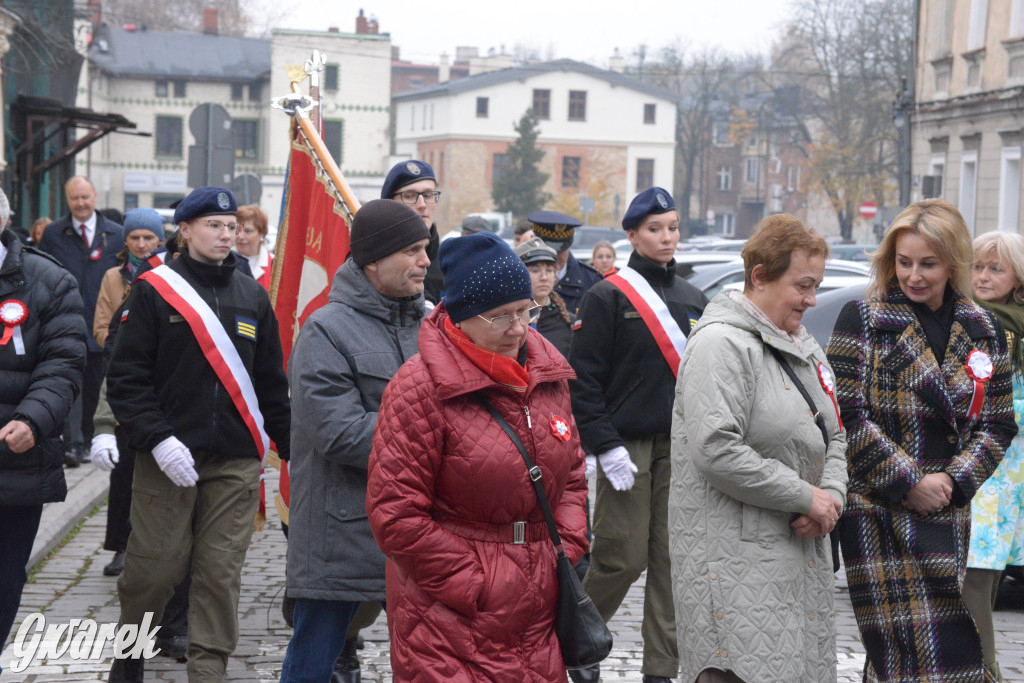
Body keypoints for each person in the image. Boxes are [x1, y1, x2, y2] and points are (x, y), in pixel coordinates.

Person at [366, 231, 589, 681]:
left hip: (538, 605)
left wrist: (566, 547)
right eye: (499, 317)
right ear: (461, 317)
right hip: (449, 617)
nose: (517, 328)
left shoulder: (546, 374)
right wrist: (477, 581)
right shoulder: (418, 388)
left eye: (525, 311)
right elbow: (396, 514)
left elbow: (574, 477)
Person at [826, 198, 1016, 683]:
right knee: (904, 653)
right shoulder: (863, 318)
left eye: (928, 264)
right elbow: (844, 414)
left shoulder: (985, 328)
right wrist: (908, 480)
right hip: (878, 508)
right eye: (904, 262)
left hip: (946, 510)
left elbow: (997, 423)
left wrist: (953, 482)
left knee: (933, 654)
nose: (913, 275)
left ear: (953, 262)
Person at [105, 186, 291, 681]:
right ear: (184, 231)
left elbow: (271, 382)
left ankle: (208, 672)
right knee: (154, 571)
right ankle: (129, 657)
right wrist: (159, 440)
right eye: (213, 225)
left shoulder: (251, 294)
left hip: (234, 460)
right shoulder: (153, 289)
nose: (226, 234)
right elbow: (126, 378)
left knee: (219, 574)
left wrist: (296, 451)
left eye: (231, 227)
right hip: (168, 455)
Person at [670, 214, 848, 682]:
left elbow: (836, 433)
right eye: (804, 285)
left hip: (798, 560)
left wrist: (830, 497)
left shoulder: (802, 344)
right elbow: (717, 449)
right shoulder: (719, 346)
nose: (813, 299)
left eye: (817, 286)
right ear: (760, 277)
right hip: (734, 569)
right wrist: (805, 496)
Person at [279, 199, 431, 683]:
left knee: (430, 661)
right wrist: (437, 442)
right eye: (411, 250)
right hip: (340, 531)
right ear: (372, 262)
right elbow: (339, 433)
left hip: (416, 528)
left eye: (425, 248)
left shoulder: (432, 328)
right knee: (312, 664)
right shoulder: (324, 330)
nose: (425, 261)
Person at [568, 187, 709, 683]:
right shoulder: (606, 294)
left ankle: (661, 669)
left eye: (672, 227)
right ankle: (577, 645)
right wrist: (604, 445)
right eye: (654, 229)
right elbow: (583, 380)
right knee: (619, 558)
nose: (666, 237)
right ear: (631, 234)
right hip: (628, 447)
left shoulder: (694, 298)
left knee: (672, 562)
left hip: (682, 447)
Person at [0, 187, 86, 653]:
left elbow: (64, 363)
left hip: (15, 459)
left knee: (5, 575)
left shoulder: (49, 281)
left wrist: (33, 420)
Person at [963, 231, 1024, 682]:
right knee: (980, 582)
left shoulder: (999, 328)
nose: (983, 277)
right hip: (1000, 471)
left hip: (993, 470)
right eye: (977, 266)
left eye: (995, 268)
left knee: (975, 585)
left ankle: (986, 673)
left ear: (1017, 277)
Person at [38, 176, 124, 468]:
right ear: (67, 200)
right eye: (75, 198)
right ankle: (73, 445)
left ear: (95, 196)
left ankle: (90, 439)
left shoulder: (115, 233)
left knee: (97, 384)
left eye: (85, 197)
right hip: (65, 322)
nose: (81, 203)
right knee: (69, 385)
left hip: (102, 324)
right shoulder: (53, 233)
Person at [92, 209, 165, 350]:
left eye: (148, 238)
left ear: (160, 240)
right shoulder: (112, 277)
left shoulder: (172, 275)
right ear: (125, 240)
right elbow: (100, 328)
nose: (141, 244)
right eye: (134, 237)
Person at [382, 160, 443, 304]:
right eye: (409, 196)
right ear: (389, 204)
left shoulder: (450, 265)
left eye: (428, 195)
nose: (422, 205)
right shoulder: (372, 265)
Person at [529, 210, 602, 315]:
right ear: (533, 241)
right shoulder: (520, 276)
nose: (555, 254)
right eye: (549, 248)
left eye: (561, 249)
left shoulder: (591, 280)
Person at [515, 236, 574, 358]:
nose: (544, 277)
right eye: (535, 271)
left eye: (549, 270)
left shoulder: (568, 321)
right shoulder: (509, 320)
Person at [235, 204, 272, 290]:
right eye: (237, 230)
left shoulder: (274, 266)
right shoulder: (222, 262)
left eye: (248, 231)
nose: (240, 236)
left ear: (262, 233)